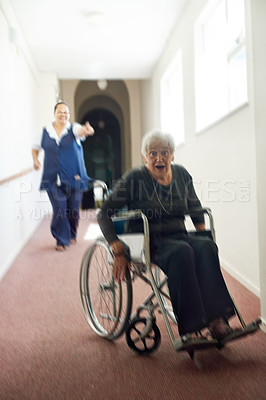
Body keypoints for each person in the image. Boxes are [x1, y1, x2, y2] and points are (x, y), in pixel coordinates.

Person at [97, 130, 237, 351]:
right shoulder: (135, 178)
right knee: (183, 252)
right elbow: (103, 213)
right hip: (148, 241)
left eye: (164, 152)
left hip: (178, 235)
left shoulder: (181, 175)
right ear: (145, 157)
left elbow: (194, 207)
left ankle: (217, 320)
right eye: (153, 153)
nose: (159, 158)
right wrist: (117, 248)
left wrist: (202, 233)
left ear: (172, 155)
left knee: (206, 247)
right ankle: (190, 329)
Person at [32, 101, 94, 251]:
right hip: (52, 178)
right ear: (54, 113)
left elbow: (81, 132)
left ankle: (72, 233)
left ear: (69, 115)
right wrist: (36, 160)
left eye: (66, 112)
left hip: (74, 178)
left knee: (73, 210)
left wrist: (86, 130)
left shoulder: (73, 129)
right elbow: (35, 147)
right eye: (60, 112)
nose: (63, 115)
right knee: (59, 209)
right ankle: (61, 240)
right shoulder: (45, 132)